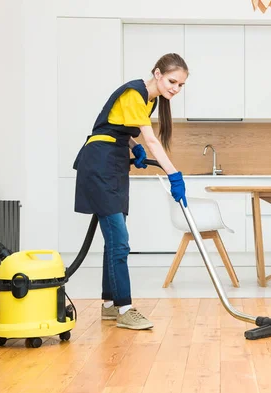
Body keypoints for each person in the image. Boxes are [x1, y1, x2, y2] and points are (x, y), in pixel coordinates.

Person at [73, 53, 189, 330]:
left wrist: (129, 146)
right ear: (158, 74)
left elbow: (117, 129)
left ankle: (110, 306)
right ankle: (125, 308)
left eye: (181, 85)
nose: (175, 88)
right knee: (120, 241)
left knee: (114, 238)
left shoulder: (148, 100)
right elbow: (150, 139)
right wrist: (173, 173)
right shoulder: (135, 93)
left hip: (113, 164)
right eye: (172, 81)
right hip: (100, 164)